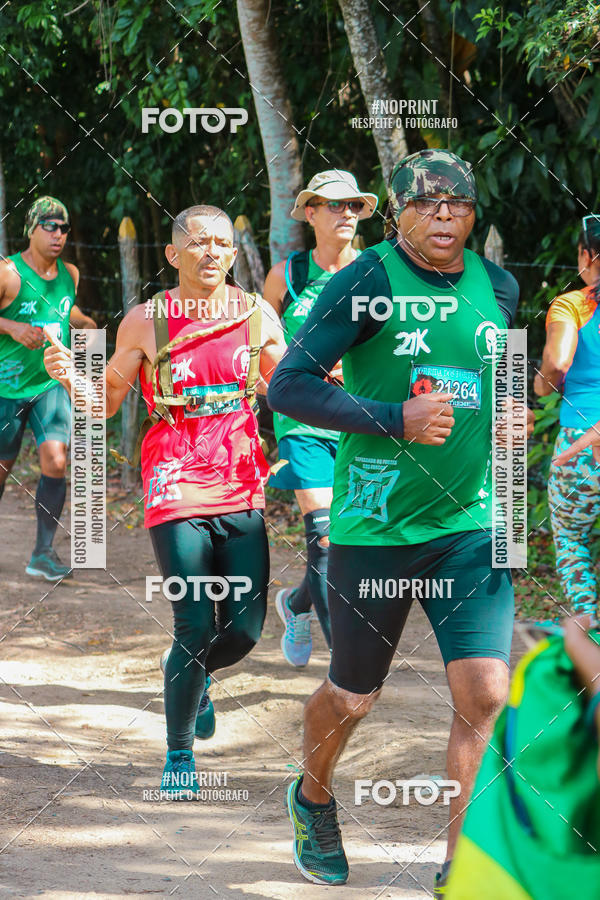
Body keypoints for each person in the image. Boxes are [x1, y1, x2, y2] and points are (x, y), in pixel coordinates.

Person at [268, 149, 521, 892]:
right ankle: (312, 797)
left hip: (470, 524)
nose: (444, 215)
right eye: (426, 203)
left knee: (485, 693)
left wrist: (512, 416)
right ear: (399, 213)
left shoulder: (499, 286)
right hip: (375, 528)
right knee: (354, 695)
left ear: (473, 212)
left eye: (458, 203)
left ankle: (462, 869)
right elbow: (289, 386)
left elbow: (507, 380)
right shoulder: (367, 281)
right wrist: (392, 417)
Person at [44, 204, 286, 796]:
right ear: (174, 254)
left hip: (240, 478)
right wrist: (70, 376)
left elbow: (288, 388)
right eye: (198, 242)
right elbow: (105, 403)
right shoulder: (146, 322)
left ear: (233, 254)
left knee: (246, 630)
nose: (212, 252)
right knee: (194, 620)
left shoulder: (257, 314)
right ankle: (179, 756)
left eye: (221, 243)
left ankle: (189, 673)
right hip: (174, 477)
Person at [263, 170, 378, 666]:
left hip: (363, 420)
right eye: (335, 205)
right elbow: (263, 343)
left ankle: (296, 603)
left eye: (354, 206)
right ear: (309, 213)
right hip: (304, 420)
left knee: (353, 543)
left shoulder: (376, 273)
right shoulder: (287, 276)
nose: (347, 214)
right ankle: (346, 671)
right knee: (326, 537)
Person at [0, 196, 96, 580]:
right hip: (6, 388)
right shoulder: (8, 273)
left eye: (64, 228)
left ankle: (42, 553)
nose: (58, 235)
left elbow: (65, 310)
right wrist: (12, 327)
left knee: (56, 460)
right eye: (50, 226)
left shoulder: (70, 274)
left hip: (50, 384)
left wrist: (85, 323)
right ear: (32, 228)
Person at [534, 215, 600, 621]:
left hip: (581, 442)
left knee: (572, 538)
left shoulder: (574, 304)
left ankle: (590, 633)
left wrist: (541, 385)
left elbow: (557, 364)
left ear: (586, 255)